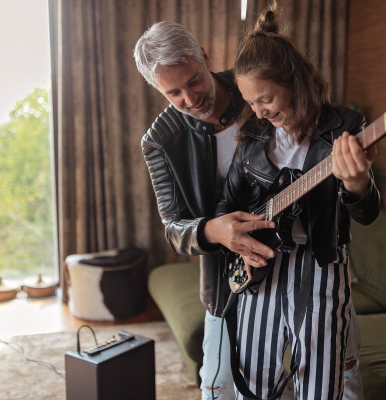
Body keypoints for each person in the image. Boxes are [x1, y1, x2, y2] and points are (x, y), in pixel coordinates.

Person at [216, 2, 381, 399]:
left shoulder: (344, 127)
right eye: (251, 102)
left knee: (321, 381)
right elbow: (227, 206)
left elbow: (368, 212)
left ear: (294, 80)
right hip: (262, 267)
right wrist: (232, 236)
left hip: (320, 262)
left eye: (266, 98)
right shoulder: (253, 136)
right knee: (254, 379)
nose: (258, 111)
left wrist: (358, 183)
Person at [134, 21, 276, 400]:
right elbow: (173, 228)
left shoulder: (257, 87)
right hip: (223, 279)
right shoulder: (160, 140)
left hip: (289, 256)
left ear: (205, 58)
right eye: (174, 93)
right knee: (218, 389)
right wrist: (216, 231)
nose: (190, 98)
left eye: (194, 81)